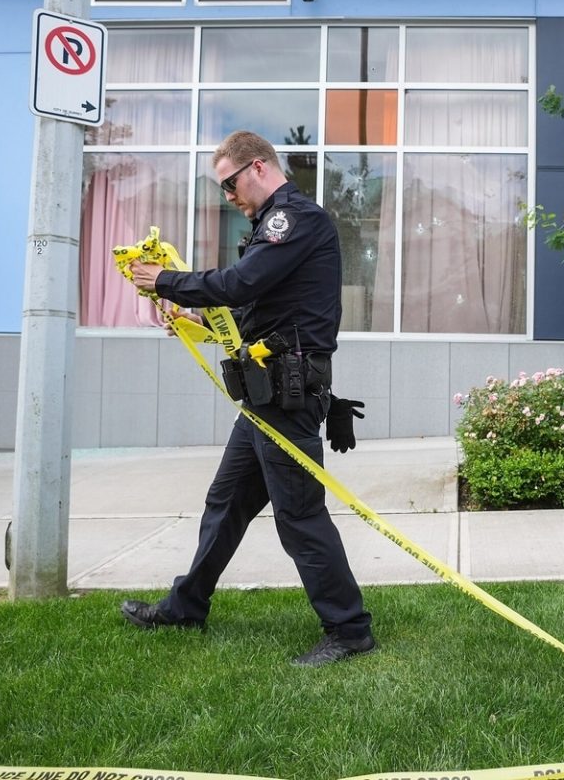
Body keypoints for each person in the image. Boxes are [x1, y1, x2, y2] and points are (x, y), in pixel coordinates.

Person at [120, 130, 375, 668]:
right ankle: (186, 606)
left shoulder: (293, 219)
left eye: (230, 183)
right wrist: (193, 319)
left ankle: (349, 630)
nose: (227, 196)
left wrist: (164, 280)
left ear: (257, 167)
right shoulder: (270, 226)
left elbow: (238, 283)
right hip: (265, 394)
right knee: (226, 503)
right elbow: (256, 314)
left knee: (300, 516)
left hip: (286, 397)